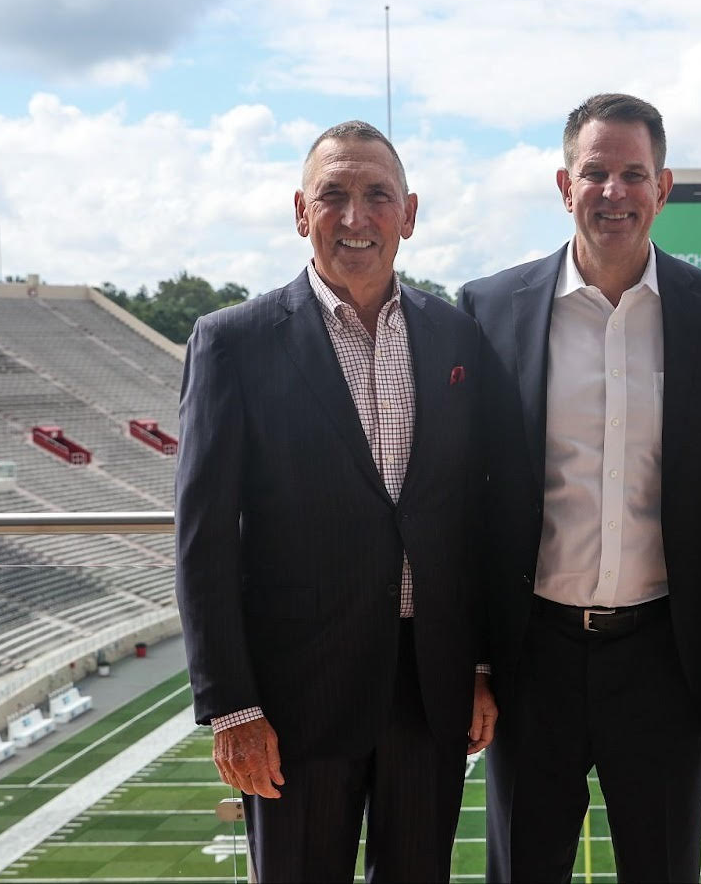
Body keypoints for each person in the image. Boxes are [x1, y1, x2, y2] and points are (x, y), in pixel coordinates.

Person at [174, 120, 497, 882]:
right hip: (296, 701)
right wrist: (232, 705)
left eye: (377, 195)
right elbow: (204, 539)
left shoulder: (454, 335)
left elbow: (472, 513)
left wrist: (481, 662)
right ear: (299, 211)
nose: (357, 217)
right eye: (334, 195)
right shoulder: (234, 342)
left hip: (429, 688)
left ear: (409, 214)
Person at [458, 93, 701, 882]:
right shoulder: (490, 310)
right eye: (596, 172)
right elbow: (469, 501)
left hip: (664, 657)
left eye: (634, 174)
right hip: (534, 657)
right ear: (565, 185)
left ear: (664, 188)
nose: (614, 192)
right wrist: (478, 661)